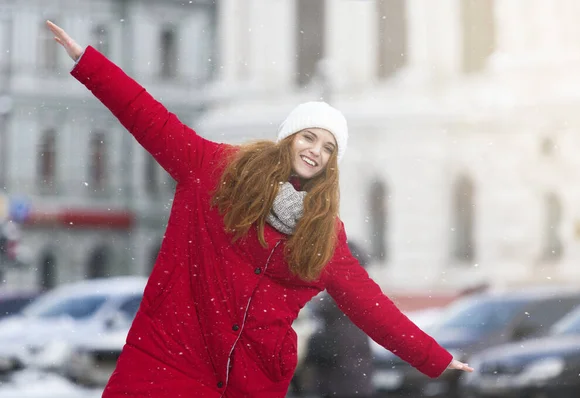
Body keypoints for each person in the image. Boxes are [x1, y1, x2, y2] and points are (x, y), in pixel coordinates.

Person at [46, 21, 473, 398]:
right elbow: (149, 118)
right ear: (289, 138)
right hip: (167, 363)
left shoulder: (323, 234)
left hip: (250, 382)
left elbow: (370, 307)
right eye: (309, 138)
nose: (315, 152)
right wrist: (89, 63)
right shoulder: (212, 170)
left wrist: (433, 358)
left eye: (328, 148)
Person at [303, 241, 375, 398]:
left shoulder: (339, 299)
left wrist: (310, 347)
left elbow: (330, 346)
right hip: (353, 382)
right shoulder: (358, 295)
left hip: (341, 384)